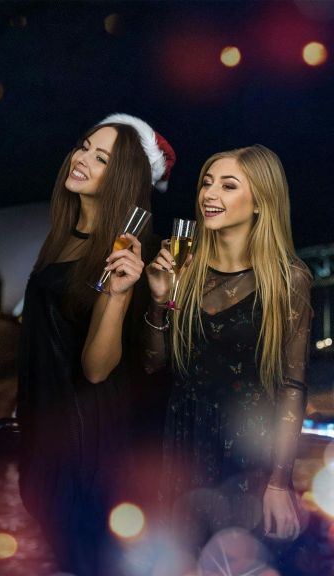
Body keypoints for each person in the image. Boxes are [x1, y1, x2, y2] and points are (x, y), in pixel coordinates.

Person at [17, 114, 175, 575]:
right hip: (47, 441)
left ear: (122, 177)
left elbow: (97, 369)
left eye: (101, 157)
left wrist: (118, 292)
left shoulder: (127, 256)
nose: (81, 159)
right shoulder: (61, 239)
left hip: (87, 450)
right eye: (84, 146)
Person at [143, 145, 312, 564]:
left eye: (228, 185)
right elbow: (153, 363)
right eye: (206, 182)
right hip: (183, 442)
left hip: (249, 452)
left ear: (260, 202)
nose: (208, 194)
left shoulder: (287, 279)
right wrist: (158, 300)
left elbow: (292, 386)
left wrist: (279, 481)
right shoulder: (183, 267)